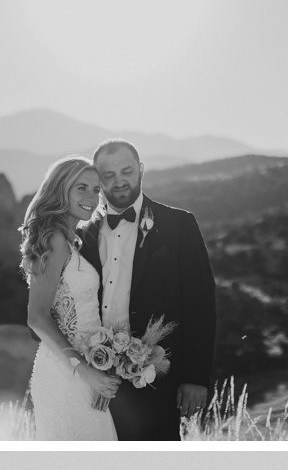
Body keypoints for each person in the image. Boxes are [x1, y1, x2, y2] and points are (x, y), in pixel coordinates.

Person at [79, 139, 217, 442]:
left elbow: (200, 304)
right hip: (93, 380)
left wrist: (195, 378)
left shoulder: (179, 225)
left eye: (126, 171)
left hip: (156, 379)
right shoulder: (81, 233)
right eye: (108, 175)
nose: (119, 181)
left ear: (141, 169)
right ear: (97, 179)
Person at [20, 156, 120, 441]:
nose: (91, 197)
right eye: (81, 188)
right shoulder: (53, 238)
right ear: (61, 189)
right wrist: (84, 370)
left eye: (96, 190)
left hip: (86, 371)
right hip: (68, 374)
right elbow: (36, 317)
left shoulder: (70, 240)